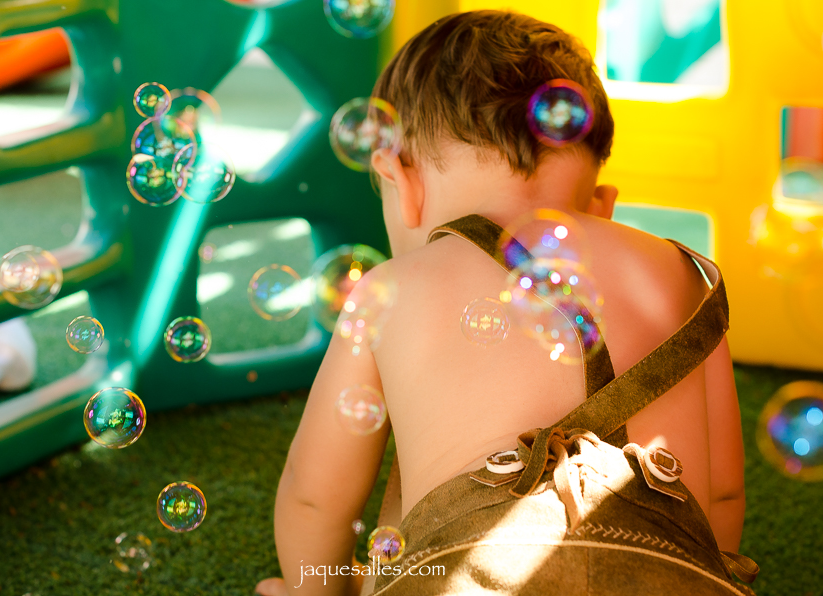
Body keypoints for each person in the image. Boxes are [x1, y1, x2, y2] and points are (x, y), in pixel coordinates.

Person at [257, 10, 748, 595]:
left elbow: (316, 499)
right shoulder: (683, 275)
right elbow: (719, 496)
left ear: (400, 182)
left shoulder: (391, 290)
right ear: (601, 204)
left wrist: (314, 588)